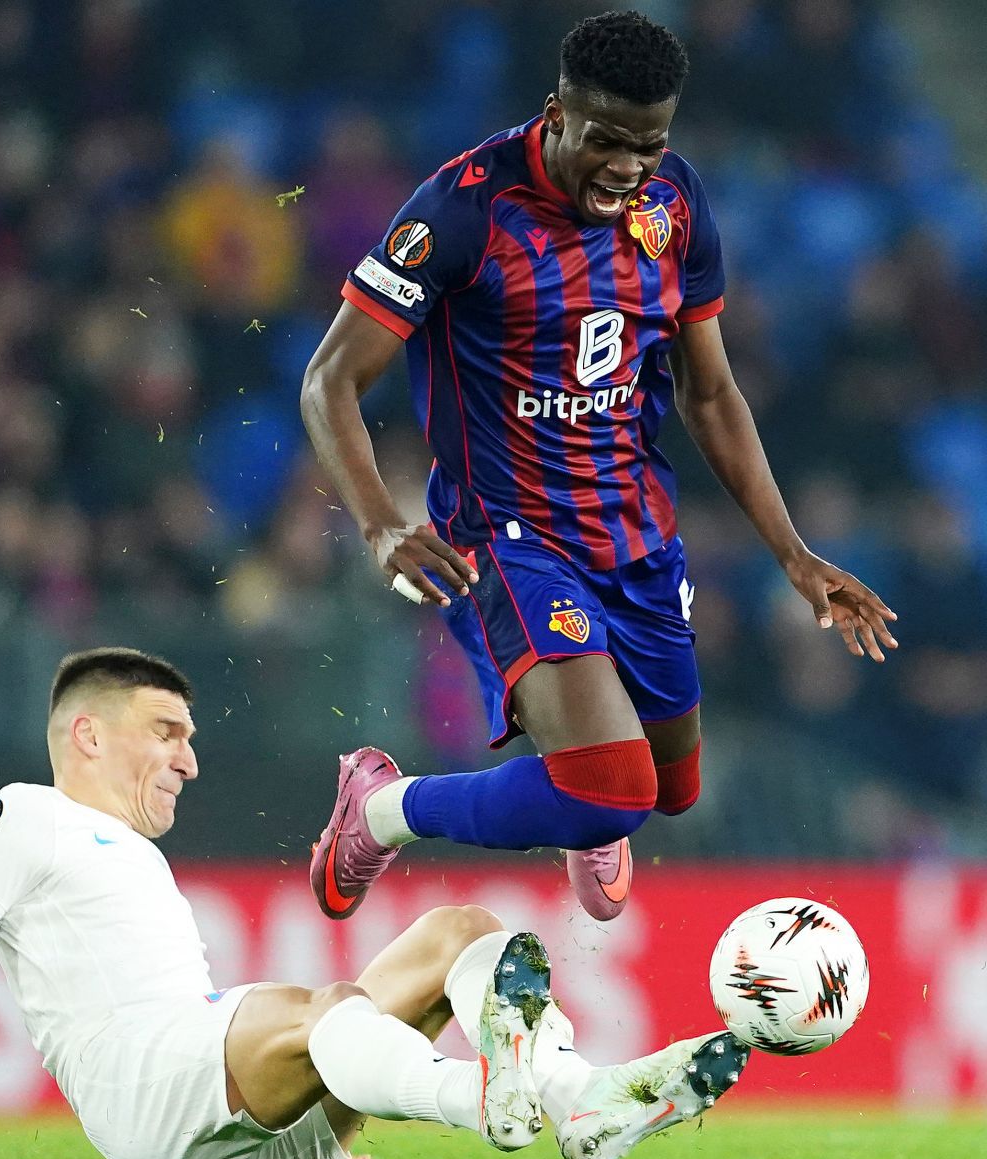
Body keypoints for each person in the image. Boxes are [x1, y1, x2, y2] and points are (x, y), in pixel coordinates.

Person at [300, 10, 897, 924]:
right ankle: (379, 809)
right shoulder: (464, 208)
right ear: (557, 114)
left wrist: (793, 553)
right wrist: (381, 522)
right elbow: (329, 378)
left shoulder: (676, 204)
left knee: (670, 788)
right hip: (505, 534)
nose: (626, 167)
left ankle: (595, 794)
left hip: (635, 533)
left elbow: (711, 396)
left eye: (648, 146)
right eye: (606, 141)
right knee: (610, 787)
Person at [0, 646, 749, 1159]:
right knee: (311, 1007)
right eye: (168, 732)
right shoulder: (31, 812)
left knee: (464, 932)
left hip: (229, 1114)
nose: (190, 760)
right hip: (143, 1093)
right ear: (89, 735)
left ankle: (574, 1098)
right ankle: (481, 1099)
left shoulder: (134, 855)